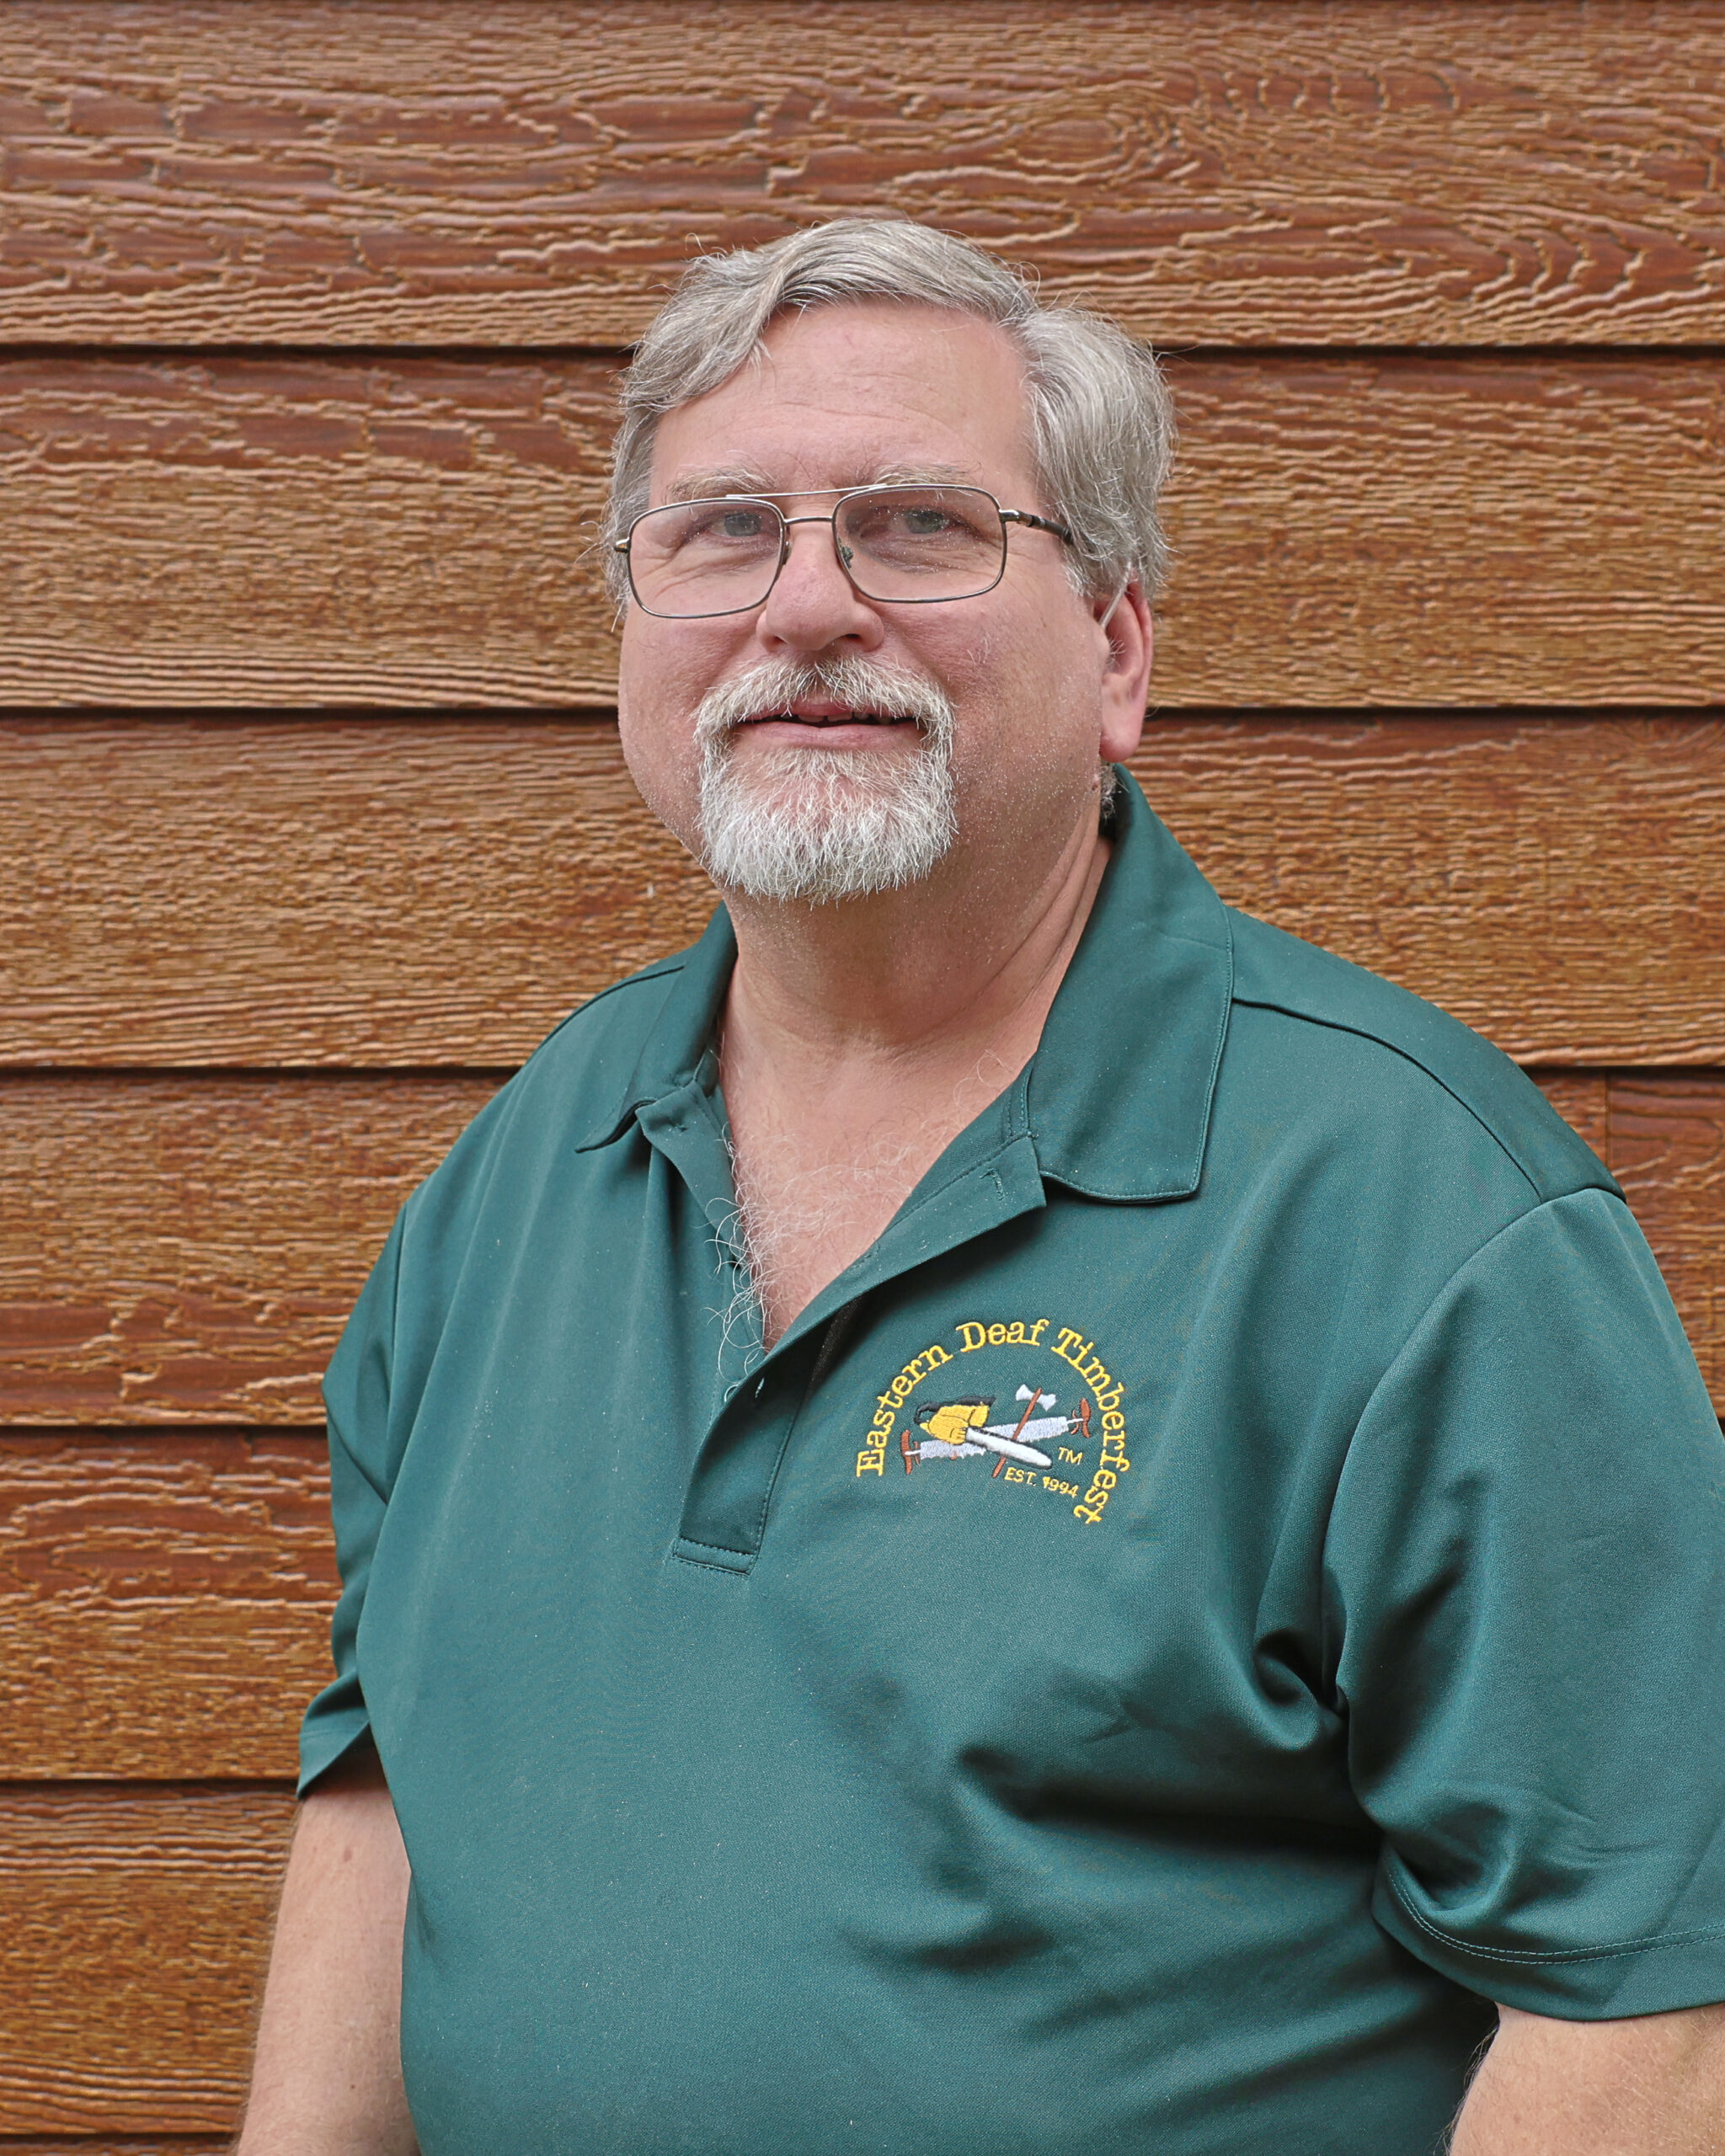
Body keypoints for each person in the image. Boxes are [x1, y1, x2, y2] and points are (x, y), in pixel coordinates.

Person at [238, 221, 1725, 2154]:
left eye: (920, 525)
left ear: (1116, 649)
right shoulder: (519, 1173)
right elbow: (388, 1770)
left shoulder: (1414, 1218)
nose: (805, 604)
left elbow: (1643, 2010)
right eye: (723, 530)